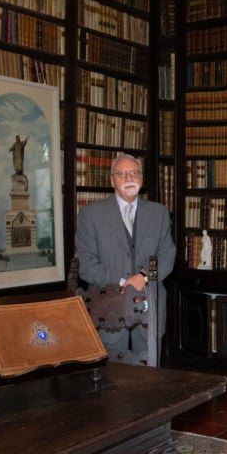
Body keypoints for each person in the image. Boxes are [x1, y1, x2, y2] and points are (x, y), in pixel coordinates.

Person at [75, 153, 176, 364]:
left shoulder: (159, 213)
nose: (129, 178)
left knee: (150, 379)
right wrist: (124, 283)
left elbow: (167, 254)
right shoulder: (90, 214)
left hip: (150, 307)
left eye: (134, 172)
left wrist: (144, 276)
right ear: (112, 180)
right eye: (121, 174)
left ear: (141, 178)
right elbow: (86, 264)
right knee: (112, 381)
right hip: (109, 307)